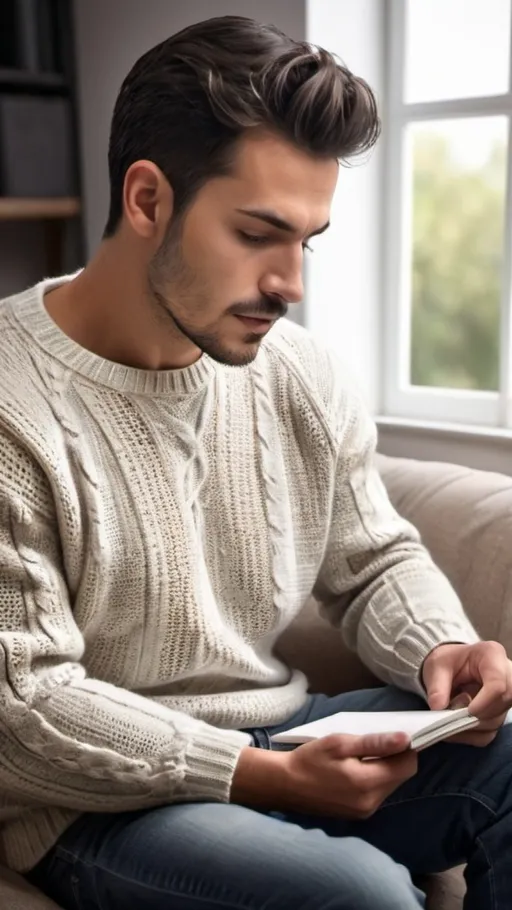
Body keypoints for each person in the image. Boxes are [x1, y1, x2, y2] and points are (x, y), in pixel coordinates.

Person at [0, 14, 509, 910]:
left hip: (283, 732)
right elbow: (24, 702)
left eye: (305, 241)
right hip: (95, 803)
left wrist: (445, 646)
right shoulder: (13, 401)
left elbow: (373, 557)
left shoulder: (299, 372)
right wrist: (256, 777)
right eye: (257, 233)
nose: (291, 283)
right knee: (360, 895)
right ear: (148, 199)